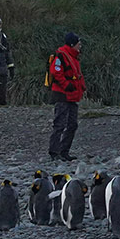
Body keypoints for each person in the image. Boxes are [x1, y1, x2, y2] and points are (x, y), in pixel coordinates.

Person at [44, 30, 83, 159]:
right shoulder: (61, 56)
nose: (80, 45)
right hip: (62, 94)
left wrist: (81, 88)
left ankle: (64, 152)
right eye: (78, 43)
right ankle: (54, 152)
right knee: (59, 124)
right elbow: (56, 72)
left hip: (72, 95)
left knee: (72, 124)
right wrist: (66, 85)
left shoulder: (73, 56)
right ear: (72, 44)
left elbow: (77, 75)